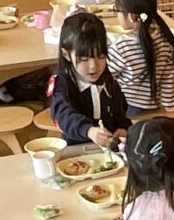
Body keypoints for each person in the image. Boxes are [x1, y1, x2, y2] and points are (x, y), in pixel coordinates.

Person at [49, 11, 132, 145]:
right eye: (84, 59)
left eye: (101, 56)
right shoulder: (62, 82)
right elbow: (62, 114)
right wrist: (89, 131)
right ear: (66, 54)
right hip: (76, 150)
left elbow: (120, 113)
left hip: (109, 148)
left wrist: (122, 128)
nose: (94, 66)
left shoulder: (108, 79)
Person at [109, 0, 174, 116]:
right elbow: (167, 77)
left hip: (126, 107)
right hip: (153, 106)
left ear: (131, 17)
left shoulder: (122, 46)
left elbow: (106, 76)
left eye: (117, 10)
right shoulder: (164, 39)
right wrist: (170, 105)